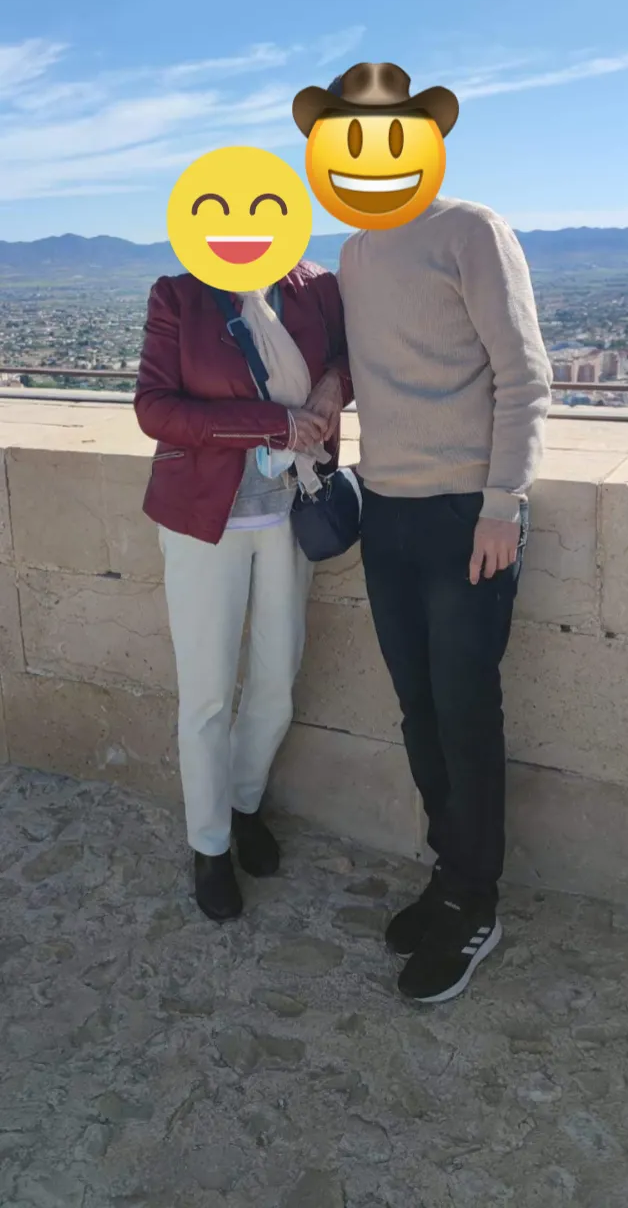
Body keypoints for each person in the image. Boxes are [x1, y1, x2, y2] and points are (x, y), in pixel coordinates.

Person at [293, 62, 552, 1004]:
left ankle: (477, 901)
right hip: (389, 510)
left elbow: (524, 375)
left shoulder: (470, 230)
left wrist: (502, 503)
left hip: (465, 515)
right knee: (418, 710)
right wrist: (332, 388)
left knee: (466, 710)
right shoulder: (357, 250)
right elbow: (366, 361)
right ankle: (451, 874)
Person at [135, 264, 350, 922]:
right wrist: (272, 424)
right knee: (206, 694)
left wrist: (334, 384)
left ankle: (243, 802)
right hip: (204, 519)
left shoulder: (316, 289)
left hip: (292, 512)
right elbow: (155, 408)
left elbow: (351, 359)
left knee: (276, 684)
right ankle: (209, 844)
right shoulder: (179, 295)